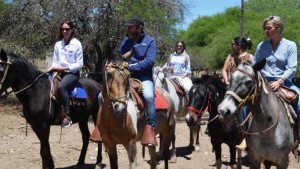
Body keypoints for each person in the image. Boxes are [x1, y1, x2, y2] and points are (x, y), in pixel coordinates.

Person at [254, 16, 300, 150]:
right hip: (263, 83)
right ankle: (245, 136)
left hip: (285, 83)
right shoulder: (261, 46)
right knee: (245, 104)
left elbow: (291, 68)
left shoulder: (290, 45)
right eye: (265, 28)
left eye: (269, 28)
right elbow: (255, 66)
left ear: (278, 28)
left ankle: (298, 135)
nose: (266, 31)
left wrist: (280, 81)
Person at [119, 16, 157, 146]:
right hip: (125, 76)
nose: (128, 29)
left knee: (148, 96)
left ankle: (150, 127)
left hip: (143, 76)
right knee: (103, 94)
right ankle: (101, 126)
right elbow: (119, 57)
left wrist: (131, 66)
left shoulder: (149, 41)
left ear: (140, 28)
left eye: (131, 27)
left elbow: (150, 61)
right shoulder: (125, 40)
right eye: (128, 27)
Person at [48, 20, 83, 127]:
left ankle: (67, 116)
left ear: (72, 30)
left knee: (61, 87)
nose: (64, 31)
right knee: (42, 82)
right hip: (58, 71)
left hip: (72, 73)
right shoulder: (58, 44)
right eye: (62, 29)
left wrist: (64, 68)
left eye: (67, 29)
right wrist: (53, 67)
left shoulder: (77, 44)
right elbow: (55, 60)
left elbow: (80, 64)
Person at [222, 36, 253, 151]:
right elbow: (224, 70)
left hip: (242, 88)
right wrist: (226, 80)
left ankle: (244, 134)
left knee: (245, 106)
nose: (232, 46)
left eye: (233, 44)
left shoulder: (249, 57)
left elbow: (253, 73)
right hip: (230, 85)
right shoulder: (230, 57)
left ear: (239, 45)